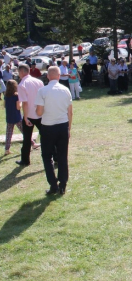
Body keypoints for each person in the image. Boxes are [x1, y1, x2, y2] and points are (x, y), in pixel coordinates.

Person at [35, 66, 73, 195]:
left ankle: (53, 184)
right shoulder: (65, 90)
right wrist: (69, 128)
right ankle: (63, 184)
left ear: (47, 76)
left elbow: (39, 112)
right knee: (62, 156)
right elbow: (70, 112)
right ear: (58, 76)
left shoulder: (42, 91)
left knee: (47, 156)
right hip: (62, 126)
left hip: (48, 127)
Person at [17, 64, 44, 166]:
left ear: (22, 72)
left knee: (27, 139)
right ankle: (55, 156)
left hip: (30, 115)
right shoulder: (39, 81)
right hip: (40, 113)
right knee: (46, 136)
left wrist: (25, 117)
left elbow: (25, 103)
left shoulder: (22, 85)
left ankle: (25, 160)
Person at [4, 80, 37, 155]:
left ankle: (7, 149)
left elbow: (5, 106)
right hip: (17, 117)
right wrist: (21, 103)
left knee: (9, 133)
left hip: (9, 117)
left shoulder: (6, 96)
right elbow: (18, 107)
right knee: (25, 131)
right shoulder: (16, 96)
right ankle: (32, 143)